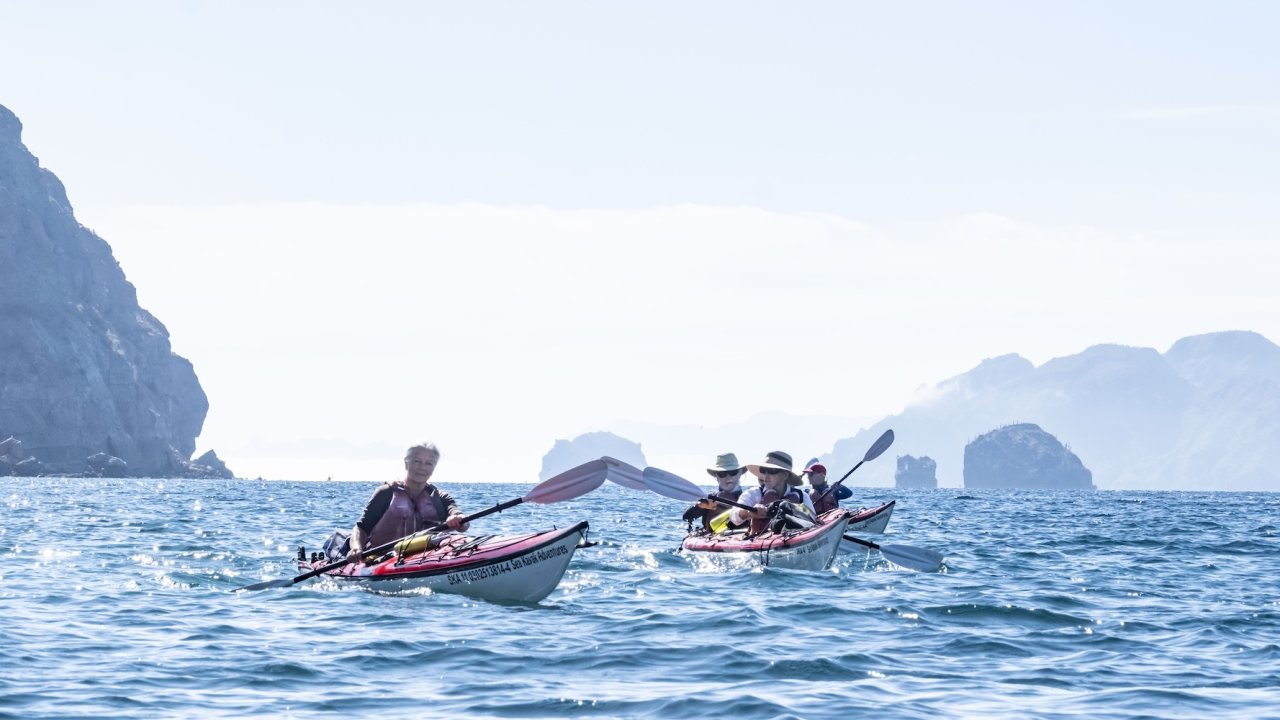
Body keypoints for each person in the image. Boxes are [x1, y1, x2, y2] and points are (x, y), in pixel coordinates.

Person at [346, 442, 468, 561]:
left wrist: (459, 520)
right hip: (383, 560)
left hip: (427, 558)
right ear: (406, 463)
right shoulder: (386, 493)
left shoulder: (441, 498)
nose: (422, 467)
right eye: (417, 461)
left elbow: (462, 521)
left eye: (428, 463)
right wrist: (356, 548)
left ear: (434, 468)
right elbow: (361, 527)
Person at [729, 450, 809, 535]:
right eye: (763, 470)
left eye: (772, 471)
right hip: (758, 543)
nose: (765, 476)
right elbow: (734, 517)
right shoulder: (753, 493)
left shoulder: (802, 496)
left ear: (785, 475)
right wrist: (748, 513)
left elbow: (812, 519)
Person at [683, 453, 747, 532]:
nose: (728, 477)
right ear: (716, 477)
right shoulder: (710, 500)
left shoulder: (749, 499)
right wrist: (700, 506)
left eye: (733, 472)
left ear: (740, 473)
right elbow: (686, 517)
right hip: (712, 539)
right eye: (722, 474)